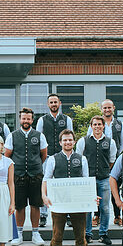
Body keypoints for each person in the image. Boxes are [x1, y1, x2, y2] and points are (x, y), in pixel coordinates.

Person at [41, 129, 98, 246]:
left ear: (74, 141)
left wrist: (92, 197)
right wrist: (44, 196)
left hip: (77, 203)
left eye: (70, 140)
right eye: (64, 140)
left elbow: (87, 180)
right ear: (60, 142)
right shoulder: (53, 159)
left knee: (80, 234)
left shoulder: (82, 159)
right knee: (57, 234)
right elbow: (46, 179)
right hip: (59, 202)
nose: (67, 142)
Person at [5, 108, 48, 246]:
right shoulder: (12, 135)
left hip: (36, 175)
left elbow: (43, 154)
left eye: (28, 118)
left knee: (36, 205)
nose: (26, 121)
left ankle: (35, 233)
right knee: (19, 206)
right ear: (20, 119)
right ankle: (19, 234)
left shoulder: (39, 135)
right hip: (18, 175)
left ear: (32, 119)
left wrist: (34, 165)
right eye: (23, 118)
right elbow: (7, 156)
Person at [76, 115, 117, 244]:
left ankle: (103, 233)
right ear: (91, 126)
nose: (97, 127)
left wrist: (103, 170)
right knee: (88, 207)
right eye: (95, 124)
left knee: (105, 208)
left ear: (103, 126)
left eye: (100, 124)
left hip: (104, 179)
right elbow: (79, 159)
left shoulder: (110, 142)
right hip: (88, 180)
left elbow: (111, 160)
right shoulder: (83, 141)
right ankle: (87, 234)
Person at [88, 99, 123, 227]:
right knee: (97, 189)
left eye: (109, 107)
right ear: (101, 109)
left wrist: (114, 156)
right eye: (105, 108)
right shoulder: (96, 123)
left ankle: (117, 216)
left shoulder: (120, 124)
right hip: (99, 163)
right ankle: (96, 216)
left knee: (115, 189)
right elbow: (90, 140)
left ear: (113, 108)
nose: (107, 110)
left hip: (115, 162)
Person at [36, 93, 73, 227]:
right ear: (48, 105)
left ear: (60, 103)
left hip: (63, 157)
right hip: (47, 158)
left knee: (65, 184)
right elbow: (39, 140)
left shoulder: (67, 119)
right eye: (51, 102)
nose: (53, 104)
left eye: (55, 102)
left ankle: (68, 214)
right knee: (45, 185)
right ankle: (43, 215)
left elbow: (70, 137)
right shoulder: (42, 120)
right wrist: (42, 158)